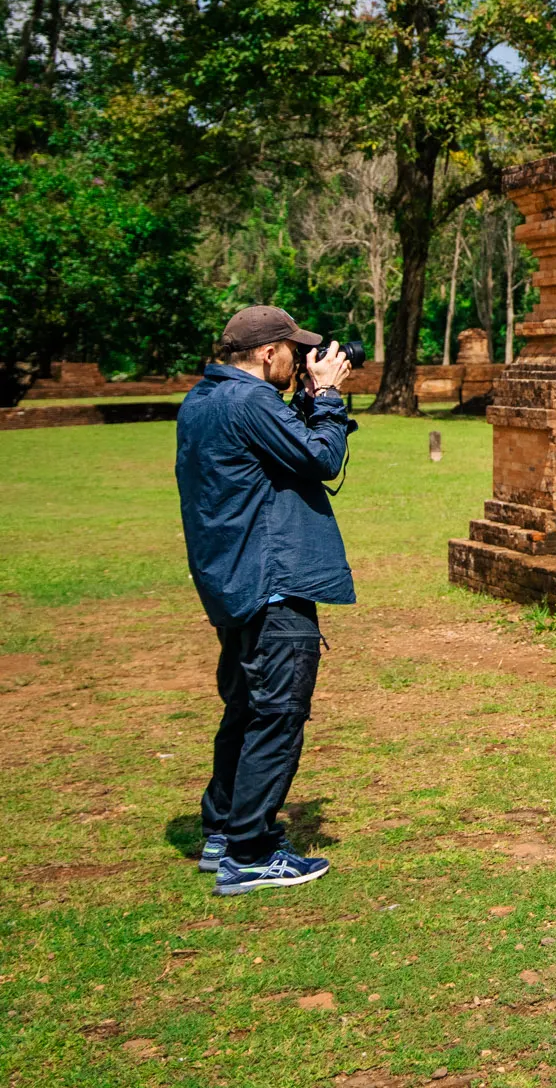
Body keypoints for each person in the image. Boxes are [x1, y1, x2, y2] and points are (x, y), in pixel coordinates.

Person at [176, 305, 358, 894]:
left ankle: (224, 832)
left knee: (248, 708)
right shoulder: (250, 402)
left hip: (234, 579)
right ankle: (250, 852)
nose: (299, 361)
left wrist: (307, 403)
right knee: (279, 713)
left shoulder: (205, 399)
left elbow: (282, 452)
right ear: (268, 352)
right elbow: (319, 458)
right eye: (293, 351)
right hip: (272, 578)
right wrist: (327, 397)